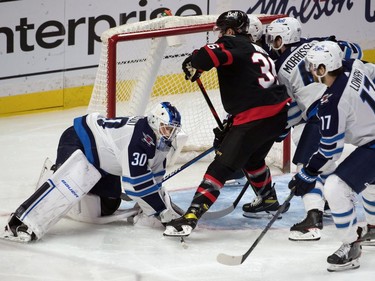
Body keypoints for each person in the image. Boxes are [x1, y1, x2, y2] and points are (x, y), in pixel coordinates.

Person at [163, 10, 290, 237]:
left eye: (222, 31)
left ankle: (190, 217)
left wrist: (194, 63)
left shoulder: (232, 44)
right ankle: (268, 198)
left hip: (254, 118)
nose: (220, 35)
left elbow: (205, 56)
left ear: (230, 31)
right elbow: (252, 83)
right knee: (253, 158)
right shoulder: (259, 48)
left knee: (219, 168)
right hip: (278, 115)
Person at [1, 102, 182, 242]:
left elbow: (154, 181)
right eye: (167, 128)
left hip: (104, 161)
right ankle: (21, 222)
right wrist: (160, 211)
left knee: (109, 205)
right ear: (154, 122)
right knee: (70, 184)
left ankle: (73, 188)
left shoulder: (160, 145)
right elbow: (135, 185)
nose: (170, 134)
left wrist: (158, 209)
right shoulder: (141, 138)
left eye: (173, 130)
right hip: (79, 140)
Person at [257, 16, 363, 241]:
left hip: (323, 113)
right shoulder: (318, 43)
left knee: (306, 166)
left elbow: (293, 107)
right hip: (351, 106)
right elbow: (356, 52)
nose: (272, 45)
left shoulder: (278, 69)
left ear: (283, 38)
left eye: (274, 40)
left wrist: (281, 128)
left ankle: (312, 219)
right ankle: (327, 199)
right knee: (307, 143)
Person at [288, 41, 375, 272]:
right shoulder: (353, 65)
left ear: (324, 69)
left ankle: (351, 244)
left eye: (314, 65)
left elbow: (330, 150)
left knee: (336, 186)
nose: (310, 69)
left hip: (373, 144)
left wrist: (307, 173)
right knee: (367, 178)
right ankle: (374, 227)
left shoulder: (333, 102)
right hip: (371, 139)